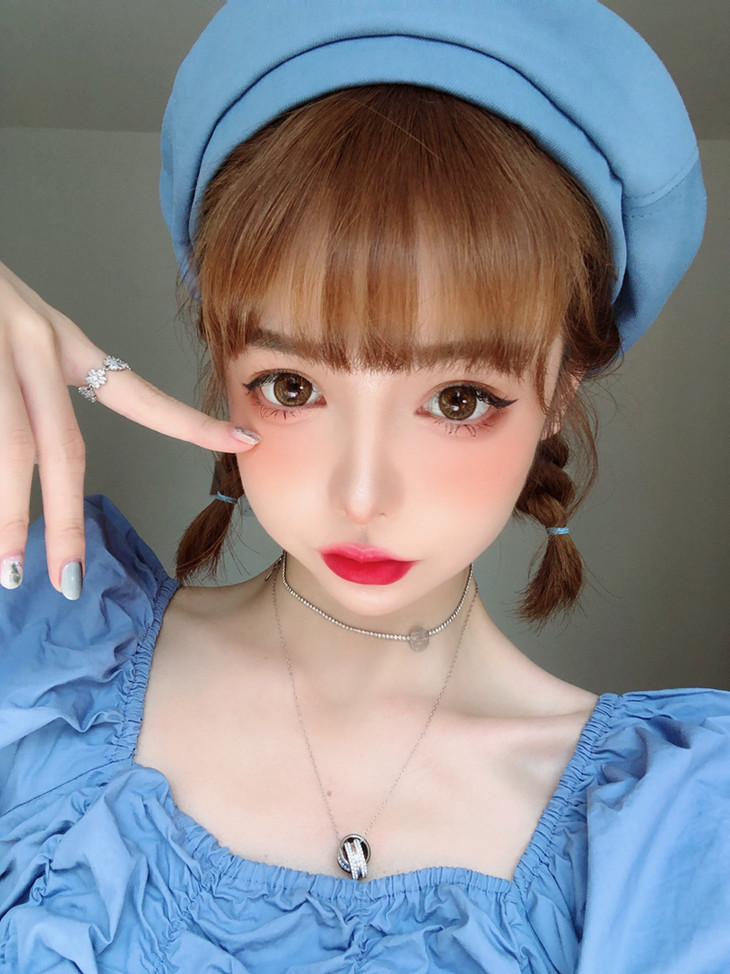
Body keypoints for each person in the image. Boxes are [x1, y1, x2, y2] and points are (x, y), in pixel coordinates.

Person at [0, 2, 727, 972]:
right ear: (223, 361)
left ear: (560, 390)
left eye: (458, 398)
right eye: (292, 386)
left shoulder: (673, 830)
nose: (362, 492)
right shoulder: (40, 666)